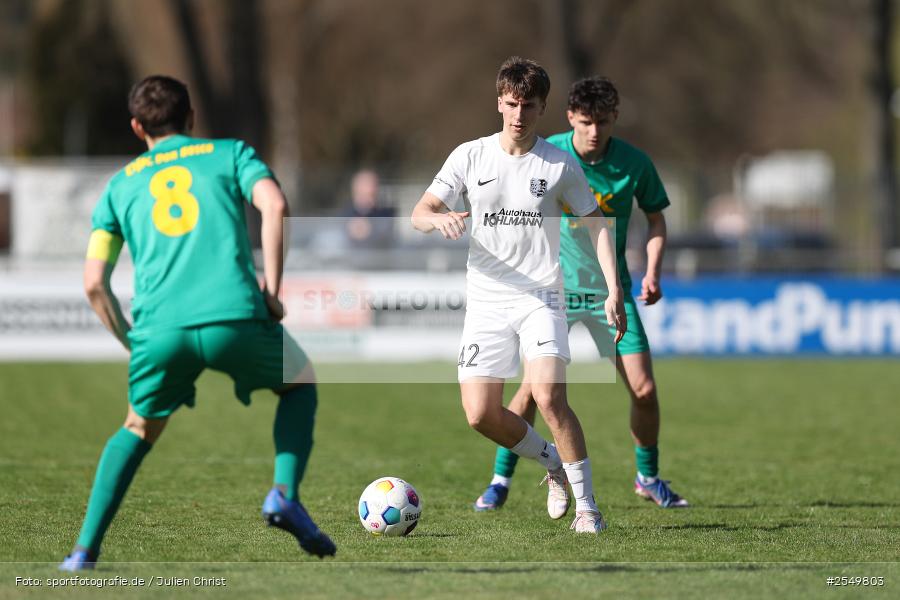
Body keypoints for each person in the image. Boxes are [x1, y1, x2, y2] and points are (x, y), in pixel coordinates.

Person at [60, 75, 335, 570]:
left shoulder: (119, 187)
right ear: (191, 118)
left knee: (138, 427)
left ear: (137, 127)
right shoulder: (229, 154)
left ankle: (83, 552)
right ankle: (283, 495)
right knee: (300, 383)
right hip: (235, 316)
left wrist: (132, 340)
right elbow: (275, 205)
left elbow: (94, 284)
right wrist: (271, 289)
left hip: (159, 331)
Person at [411, 58, 626, 534]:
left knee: (549, 396)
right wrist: (439, 219)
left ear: (543, 107)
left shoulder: (558, 163)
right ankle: (550, 462)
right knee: (480, 414)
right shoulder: (470, 156)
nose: (518, 115)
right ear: (499, 102)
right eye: (511, 104)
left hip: (540, 296)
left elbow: (596, 224)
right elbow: (419, 211)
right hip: (487, 299)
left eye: (529, 106)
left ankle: (589, 508)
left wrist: (613, 288)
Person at [474, 76, 688, 515]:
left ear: (614, 120)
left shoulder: (635, 164)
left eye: (603, 122)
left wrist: (653, 271)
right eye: (586, 121)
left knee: (644, 389)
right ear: (570, 117)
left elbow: (657, 220)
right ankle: (499, 481)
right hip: (552, 292)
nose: (594, 131)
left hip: (612, 293)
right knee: (533, 392)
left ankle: (647, 478)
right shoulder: (547, 154)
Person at [341, 168, 396, 249]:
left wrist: (371, 229)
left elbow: (388, 236)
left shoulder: (386, 213)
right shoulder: (345, 214)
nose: (372, 188)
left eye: (374, 184)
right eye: (366, 184)